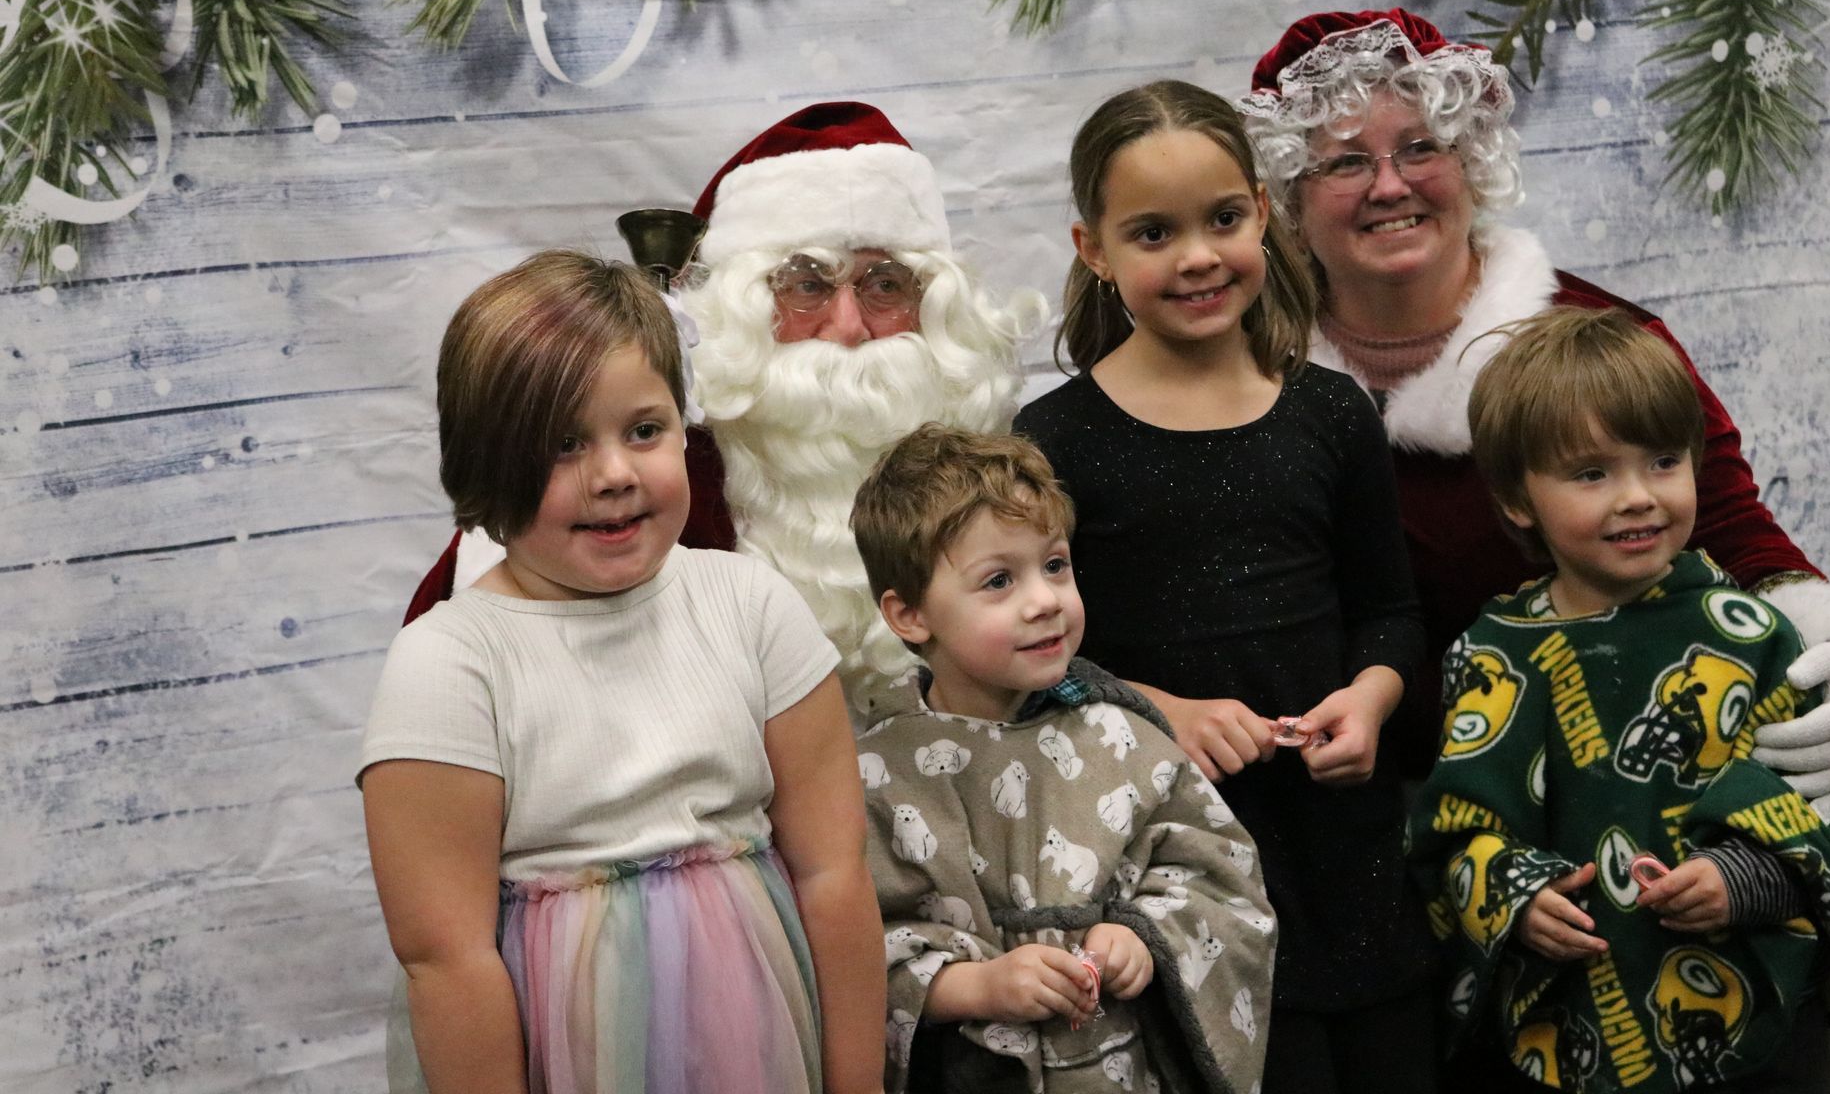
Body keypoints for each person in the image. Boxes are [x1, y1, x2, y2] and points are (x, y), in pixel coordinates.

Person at [1236, 8, 1830, 805]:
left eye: (1422, 147)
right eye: (1345, 162)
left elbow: (1734, 544)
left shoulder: (1599, 349)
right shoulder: (1238, 377)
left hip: (1592, 820)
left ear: (1471, 159)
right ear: (1289, 198)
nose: (1391, 185)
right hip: (1310, 826)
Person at [359, 251, 885, 1094]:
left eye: (644, 430)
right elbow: (446, 959)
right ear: (488, 464)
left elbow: (834, 873)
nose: (613, 475)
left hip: (757, 1043)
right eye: (564, 444)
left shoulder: (750, 604)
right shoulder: (450, 662)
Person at [1014, 79, 1432, 1094]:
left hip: (1352, 857)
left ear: (1261, 211)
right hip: (1177, 872)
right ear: (1094, 250)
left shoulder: (1330, 414)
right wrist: (1161, 710)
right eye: (1153, 233)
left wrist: (1371, 699)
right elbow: (1031, 665)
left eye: (1223, 219)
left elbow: (1391, 610)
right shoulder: (1055, 440)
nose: (1198, 256)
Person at [405, 102, 1042, 721]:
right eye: (808, 284)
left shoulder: (990, 472)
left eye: (885, 286)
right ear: (742, 305)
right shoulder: (661, 474)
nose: (848, 329)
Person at [1410, 306, 1830, 1094]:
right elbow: (1458, 833)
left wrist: (1745, 880)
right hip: (1578, 1026)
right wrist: (1517, 899)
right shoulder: (1494, 653)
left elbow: (1825, 818)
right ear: (1517, 499)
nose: (1638, 497)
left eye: (1663, 461)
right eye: (1591, 473)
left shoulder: (1749, 633)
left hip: (1753, 1027)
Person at [849, 423, 1275, 1094]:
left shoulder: (1121, 737)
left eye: (1054, 565)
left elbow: (1222, 880)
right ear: (909, 616)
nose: (1045, 600)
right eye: (999, 581)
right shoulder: (875, 770)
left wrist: (1143, 938)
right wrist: (973, 987)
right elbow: (850, 945)